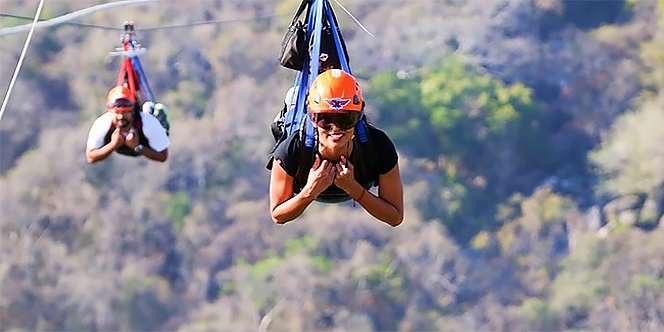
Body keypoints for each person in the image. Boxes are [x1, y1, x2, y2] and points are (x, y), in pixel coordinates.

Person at [267, 69, 404, 227]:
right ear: (312, 117)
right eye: (325, 120)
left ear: (359, 117)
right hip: (306, 186)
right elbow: (278, 215)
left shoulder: (378, 145)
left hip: (358, 184)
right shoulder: (293, 148)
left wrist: (353, 188)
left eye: (346, 120)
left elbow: (395, 216)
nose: (336, 128)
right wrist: (310, 191)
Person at [86, 85, 170, 163]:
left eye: (125, 112)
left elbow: (163, 156)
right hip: (118, 148)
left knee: (156, 123)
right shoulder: (103, 124)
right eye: (117, 113)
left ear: (132, 111)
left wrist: (138, 147)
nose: (121, 116)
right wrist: (113, 144)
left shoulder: (147, 122)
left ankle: (158, 118)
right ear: (110, 112)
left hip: (146, 145)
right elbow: (90, 157)